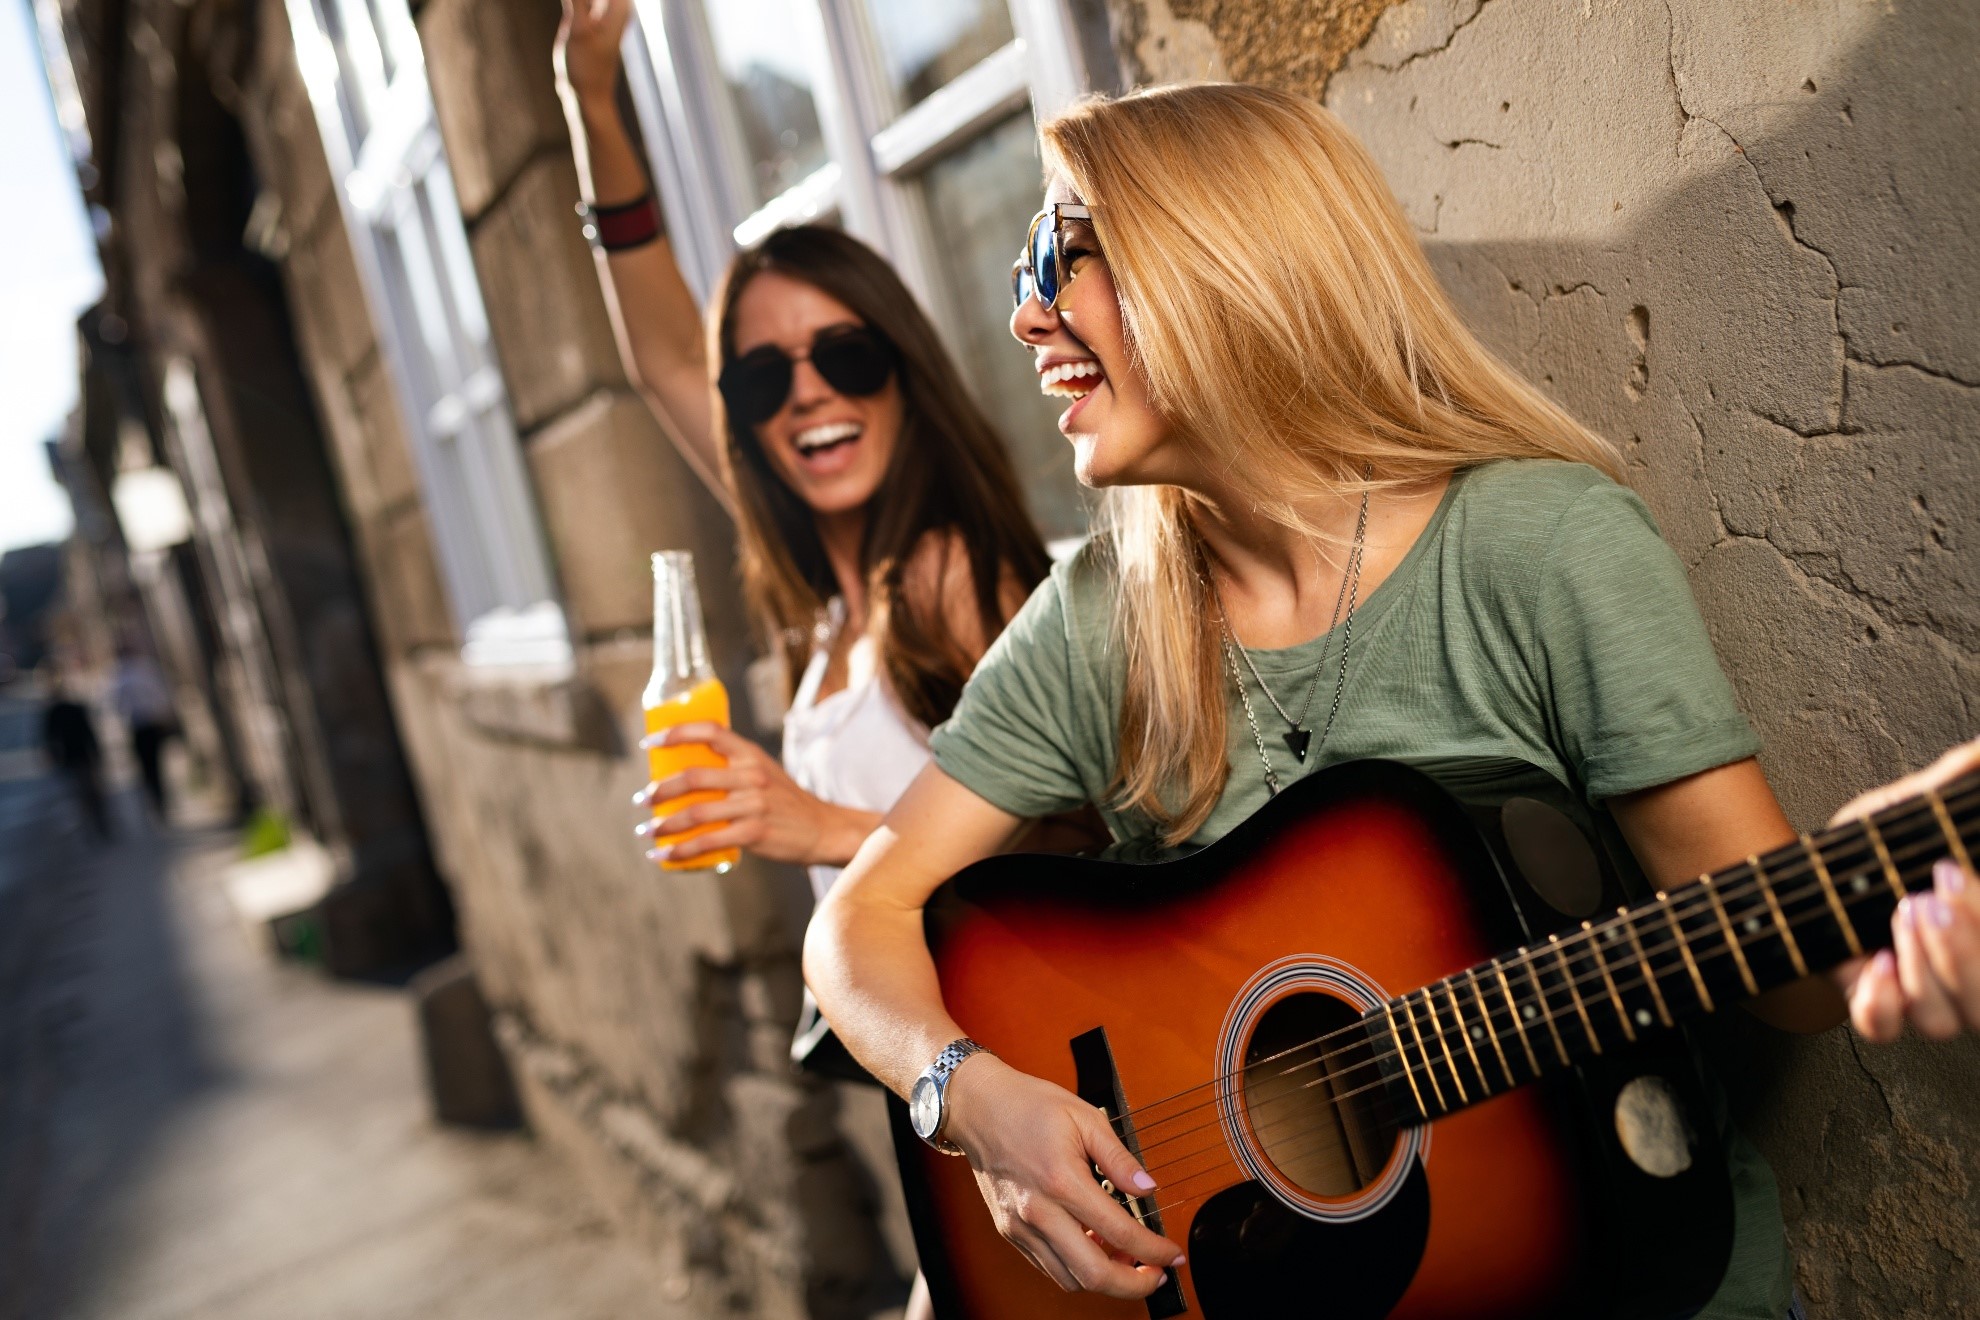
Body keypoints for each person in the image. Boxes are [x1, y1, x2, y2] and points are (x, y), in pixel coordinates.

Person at [802, 83, 1980, 1317]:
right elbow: (856, 924)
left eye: (1059, 251)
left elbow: (1780, 979)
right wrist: (970, 1100)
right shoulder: (1106, 616)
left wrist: (1882, 938)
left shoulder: (1547, 549)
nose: (1023, 311)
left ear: (1220, 257)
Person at [556, 5, 1061, 1311]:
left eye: (844, 354)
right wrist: (590, 104)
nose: (809, 396)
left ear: (903, 370)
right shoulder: (822, 607)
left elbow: (1079, 845)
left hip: (1032, 1064)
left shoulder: (953, 573)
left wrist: (811, 822)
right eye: (763, 380)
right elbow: (663, 352)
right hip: (921, 1068)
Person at [108, 642, 177, 822]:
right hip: (152, 724)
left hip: (137, 726)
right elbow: (161, 696)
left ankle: (155, 799)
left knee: (146, 766)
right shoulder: (145, 671)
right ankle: (160, 798)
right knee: (156, 763)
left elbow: (116, 706)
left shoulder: (119, 678)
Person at [41, 671, 111, 841]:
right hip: (77, 757)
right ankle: (98, 826)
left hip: (76, 758)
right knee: (89, 793)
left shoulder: (58, 712)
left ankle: (98, 826)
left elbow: (50, 739)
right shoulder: (59, 712)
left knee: (86, 794)